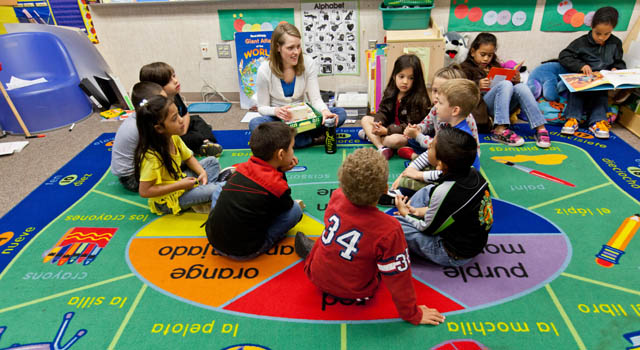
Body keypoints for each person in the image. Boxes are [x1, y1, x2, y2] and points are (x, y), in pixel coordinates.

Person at [295, 148, 445, 326]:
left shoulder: (337, 196)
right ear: (385, 189)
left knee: (332, 237)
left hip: (314, 274)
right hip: (357, 290)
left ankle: (313, 254)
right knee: (381, 258)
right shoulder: (389, 230)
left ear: (342, 183)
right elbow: (399, 278)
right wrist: (413, 314)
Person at [395, 127, 493, 267]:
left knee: (396, 226)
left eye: (432, 146)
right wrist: (417, 211)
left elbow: (426, 229)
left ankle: (402, 218)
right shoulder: (472, 172)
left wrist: (406, 214)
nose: (428, 145)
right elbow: (455, 210)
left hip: (453, 254)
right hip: (471, 238)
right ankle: (410, 213)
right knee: (428, 189)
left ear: (440, 164)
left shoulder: (446, 191)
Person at [206, 122, 304, 260]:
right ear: (281, 154)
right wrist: (280, 172)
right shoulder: (277, 186)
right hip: (245, 251)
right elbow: (285, 206)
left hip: (213, 240)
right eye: (292, 148)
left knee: (222, 186)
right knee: (295, 210)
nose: (293, 152)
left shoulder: (242, 168)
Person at [250, 23, 346, 148]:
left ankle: (289, 141)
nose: (296, 52)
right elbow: (262, 108)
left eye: (298, 47)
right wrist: (276, 111)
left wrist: (324, 111)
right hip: (280, 122)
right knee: (255, 124)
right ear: (278, 47)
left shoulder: (308, 63)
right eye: (290, 48)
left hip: (304, 118)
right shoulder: (264, 70)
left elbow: (316, 99)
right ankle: (308, 139)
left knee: (340, 113)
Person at [134, 95, 228, 215]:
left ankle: (204, 193)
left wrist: (202, 173)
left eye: (178, 114)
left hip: (181, 181)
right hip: (168, 201)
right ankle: (208, 192)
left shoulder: (173, 137)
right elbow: (145, 191)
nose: (181, 120)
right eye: (174, 119)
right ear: (159, 128)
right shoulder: (152, 157)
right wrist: (179, 185)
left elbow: (189, 158)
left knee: (212, 162)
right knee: (221, 187)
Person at [389, 79, 482, 195]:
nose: (436, 106)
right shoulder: (448, 127)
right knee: (412, 173)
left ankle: (405, 196)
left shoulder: (459, 139)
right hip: (445, 169)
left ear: (455, 110)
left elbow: (446, 174)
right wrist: (409, 170)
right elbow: (431, 152)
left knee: (415, 186)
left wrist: (418, 175)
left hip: (459, 183)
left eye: (440, 103)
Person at [461, 33, 550, 149]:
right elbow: (460, 89)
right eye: (482, 54)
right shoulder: (465, 67)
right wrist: (477, 85)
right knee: (505, 84)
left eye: (490, 55)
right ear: (473, 52)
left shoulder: (495, 66)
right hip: (481, 109)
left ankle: (540, 128)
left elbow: (508, 88)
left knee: (520, 87)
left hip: (501, 107)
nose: (486, 59)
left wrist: (516, 80)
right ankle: (500, 129)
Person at [559, 6, 625, 139]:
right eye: (598, 33)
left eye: (606, 34)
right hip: (583, 80)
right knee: (577, 92)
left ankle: (597, 121)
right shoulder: (581, 42)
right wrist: (581, 65)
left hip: (601, 82)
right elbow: (564, 56)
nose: (602, 38)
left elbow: (619, 62)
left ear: (612, 30)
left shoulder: (615, 43)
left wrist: (616, 70)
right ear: (592, 27)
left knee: (601, 94)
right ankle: (572, 119)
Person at [139, 62, 223, 156]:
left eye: (174, 76)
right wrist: (182, 132)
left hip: (180, 127)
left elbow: (185, 113)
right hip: (173, 135)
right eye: (169, 81)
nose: (175, 81)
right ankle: (201, 144)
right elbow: (167, 134)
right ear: (157, 88)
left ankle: (208, 144)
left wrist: (183, 128)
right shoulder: (158, 108)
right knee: (196, 136)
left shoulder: (175, 94)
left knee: (196, 120)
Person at [400, 65, 481, 161]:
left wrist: (417, 135)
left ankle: (415, 157)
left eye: (441, 92)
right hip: (440, 144)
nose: (436, 96)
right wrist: (418, 128)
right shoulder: (436, 108)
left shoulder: (463, 118)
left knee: (426, 146)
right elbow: (426, 124)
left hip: (456, 154)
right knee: (412, 140)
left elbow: (442, 145)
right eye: (434, 91)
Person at [359, 54, 431, 160]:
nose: (405, 81)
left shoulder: (420, 99)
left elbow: (409, 126)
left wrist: (386, 131)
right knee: (365, 119)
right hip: (389, 126)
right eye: (401, 76)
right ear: (394, 76)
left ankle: (371, 137)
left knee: (395, 140)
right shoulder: (391, 91)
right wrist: (377, 123)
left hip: (405, 134)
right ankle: (382, 147)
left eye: (410, 78)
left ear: (416, 80)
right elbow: (383, 110)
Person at [111, 81, 165, 192]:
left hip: (134, 169)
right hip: (131, 178)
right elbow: (159, 152)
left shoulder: (140, 117)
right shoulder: (142, 125)